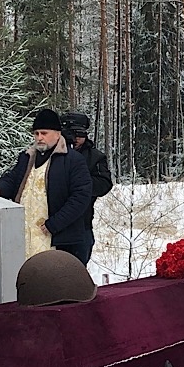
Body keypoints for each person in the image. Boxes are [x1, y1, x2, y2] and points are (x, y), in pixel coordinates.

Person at [0, 109, 93, 263]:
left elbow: (81, 196)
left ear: (58, 134)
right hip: (25, 233)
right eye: (36, 133)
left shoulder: (73, 160)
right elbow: (13, 179)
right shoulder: (27, 157)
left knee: (52, 281)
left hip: (57, 238)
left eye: (44, 133)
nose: (39, 138)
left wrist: (55, 224)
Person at [63, 113, 113, 264]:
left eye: (80, 134)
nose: (76, 139)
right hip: (53, 224)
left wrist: (80, 184)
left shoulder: (94, 157)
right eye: (71, 134)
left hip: (81, 224)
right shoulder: (53, 155)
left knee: (77, 272)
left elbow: (104, 184)